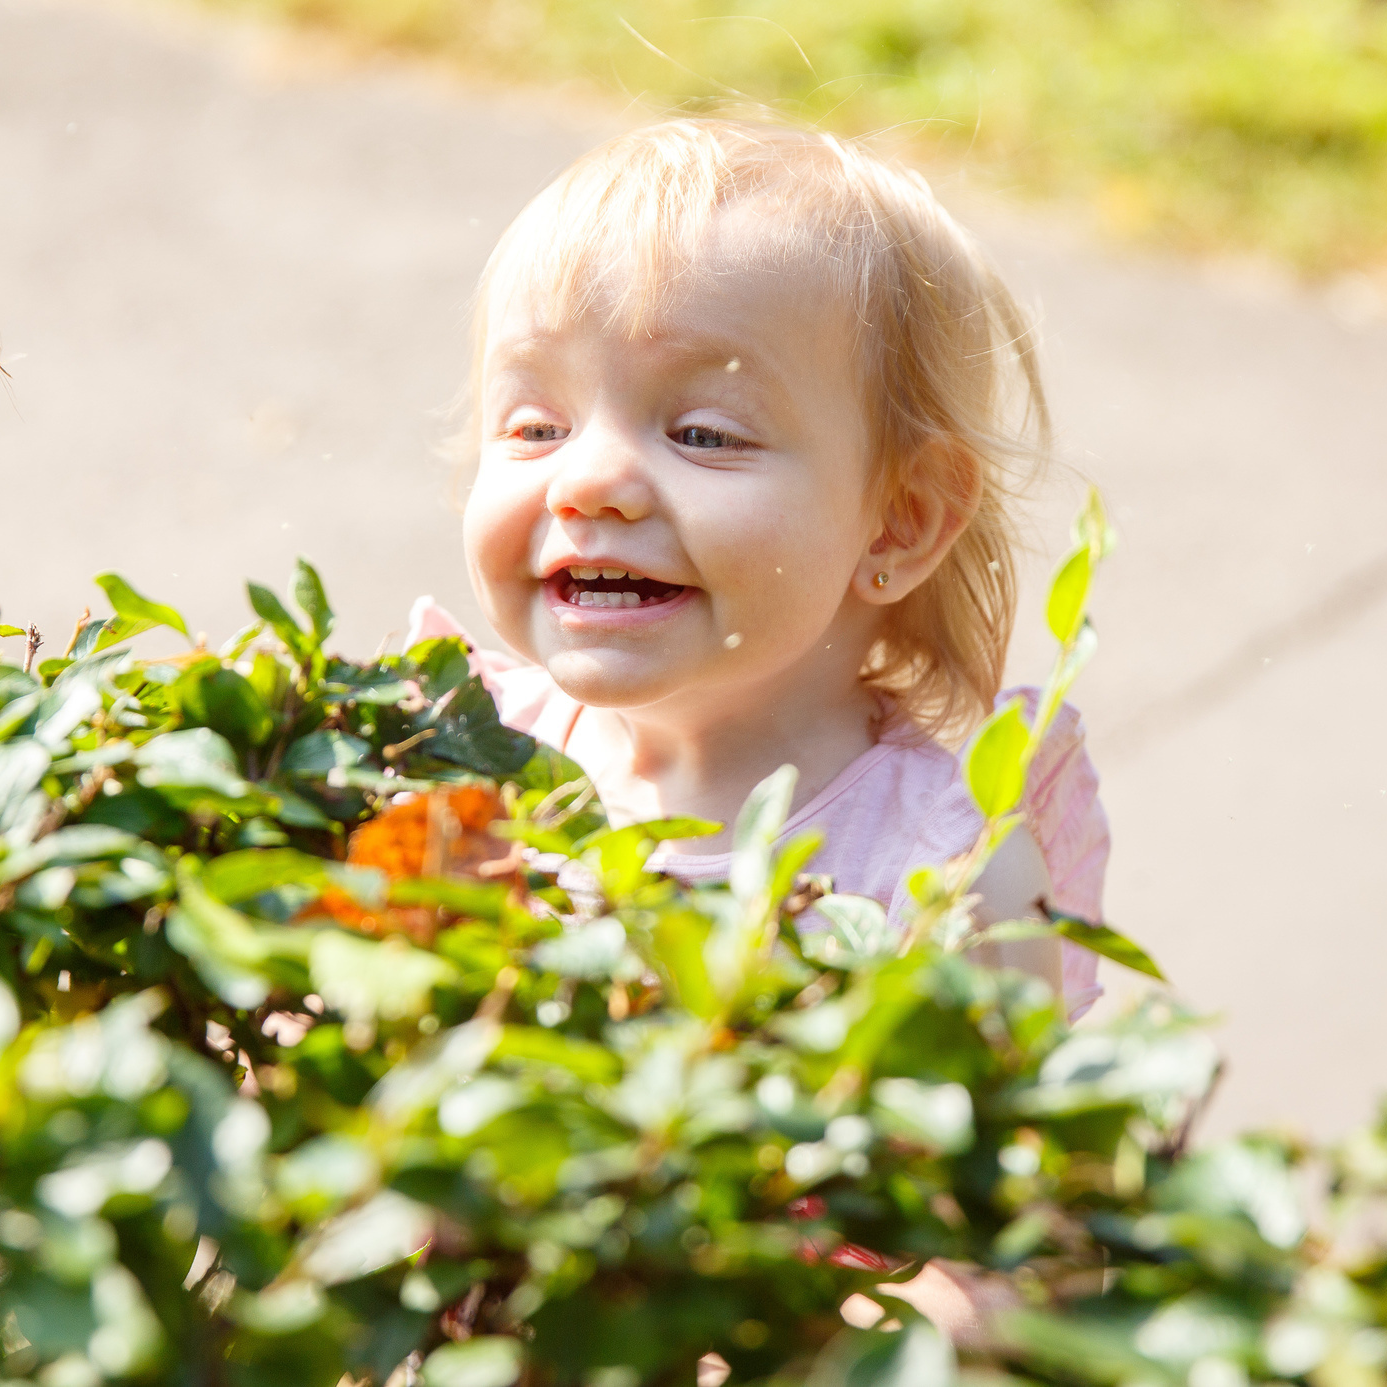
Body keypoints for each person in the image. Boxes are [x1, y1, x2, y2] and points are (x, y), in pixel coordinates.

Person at [412, 116, 1111, 1021]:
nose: (586, 482)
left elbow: (983, 1155)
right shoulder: (446, 760)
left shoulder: (944, 879)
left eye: (703, 433)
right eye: (538, 427)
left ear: (899, 521)